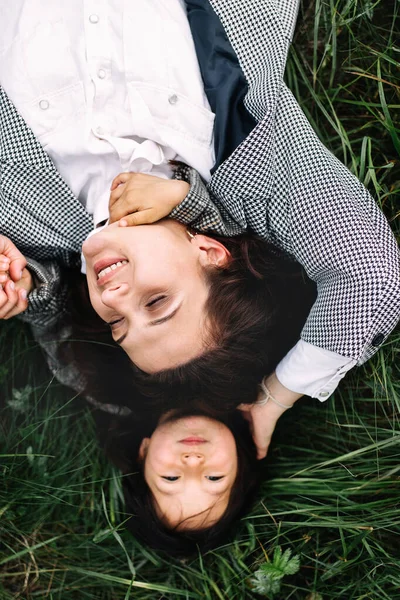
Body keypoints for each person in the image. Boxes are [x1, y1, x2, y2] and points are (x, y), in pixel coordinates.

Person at [0, 0, 399, 550]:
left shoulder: (30, 214)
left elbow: (59, 321)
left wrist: (25, 283)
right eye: (158, 303)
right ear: (213, 253)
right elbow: (369, 280)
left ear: (142, 456)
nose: (114, 298)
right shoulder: (243, 156)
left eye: (118, 325)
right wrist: (275, 398)